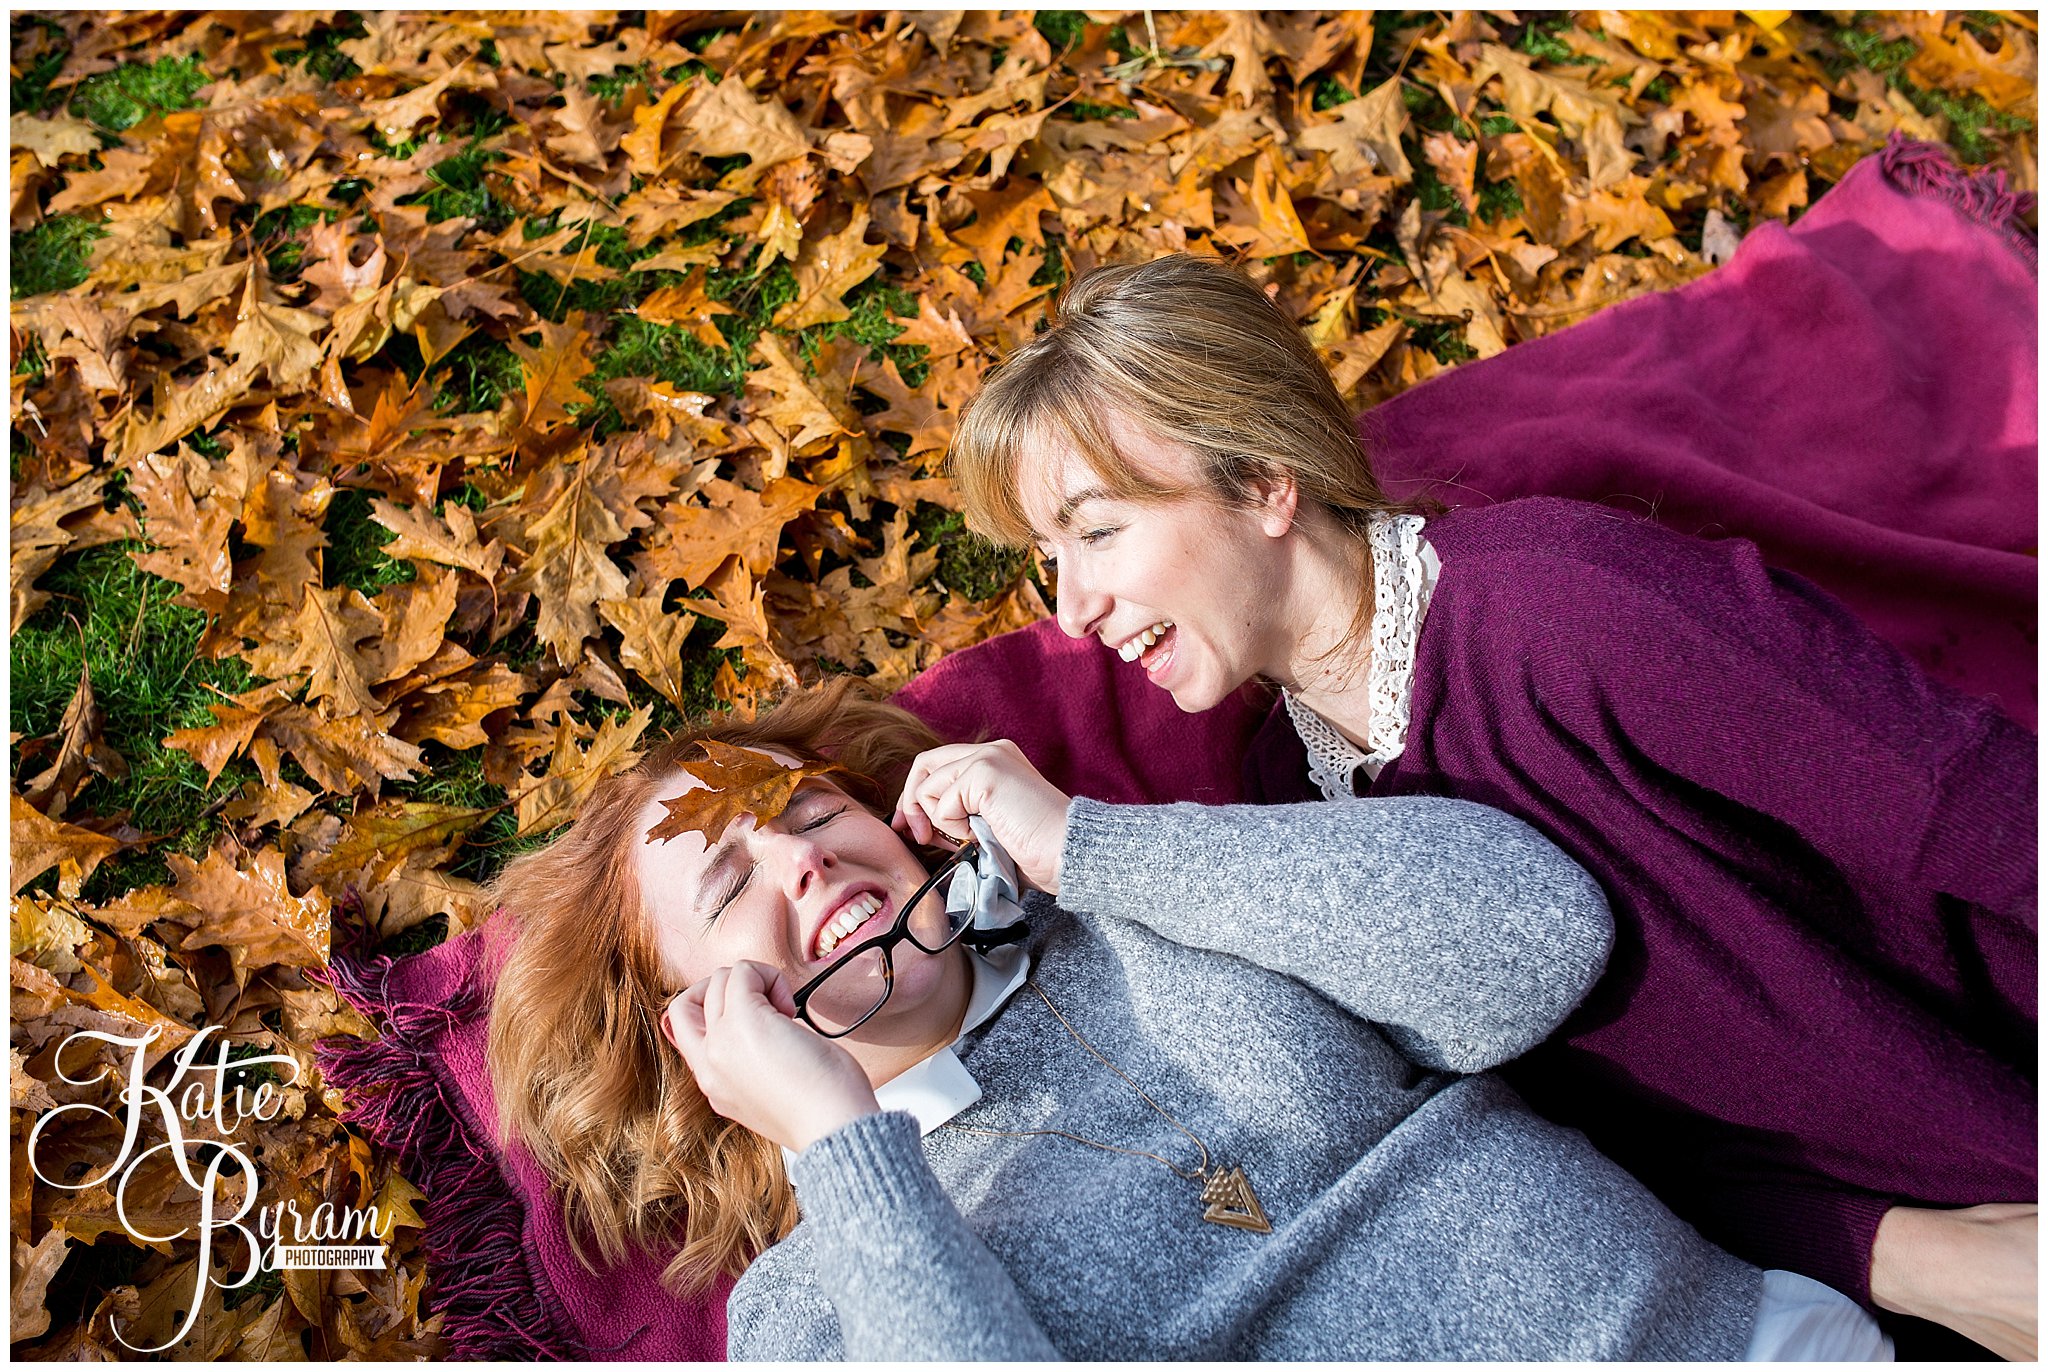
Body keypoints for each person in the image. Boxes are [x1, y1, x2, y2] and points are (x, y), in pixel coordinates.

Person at [947, 253, 2036, 1360]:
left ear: (1267, 480)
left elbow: (1989, 815)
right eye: (1047, 556)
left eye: (1095, 531)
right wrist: (1890, 1252)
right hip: (1865, 1283)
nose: (1071, 609)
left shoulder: (1564, 608)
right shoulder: (1288, 799)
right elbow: (1582, 1147)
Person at [484, 680, 1890, 1360]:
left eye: (813, 812)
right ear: (690, 1022)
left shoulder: (1155, 902)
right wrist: (842, 1148)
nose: (804, 860)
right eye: (734, 884)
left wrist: (1084, 848)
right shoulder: (815, 1300)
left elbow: (1535, 943)